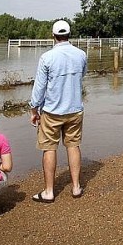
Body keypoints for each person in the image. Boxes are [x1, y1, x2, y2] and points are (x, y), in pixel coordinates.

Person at [29, 19, 87, 203]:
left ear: (53, 36)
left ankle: (49, 191)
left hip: (52, 111)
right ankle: (76, 187)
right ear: (69, 35)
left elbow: (39, 87)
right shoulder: (81, 54)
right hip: (75, 108)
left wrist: (33, 109)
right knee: (73, 145)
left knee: (49, 148)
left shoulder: (47, 57)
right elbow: (83, 75)